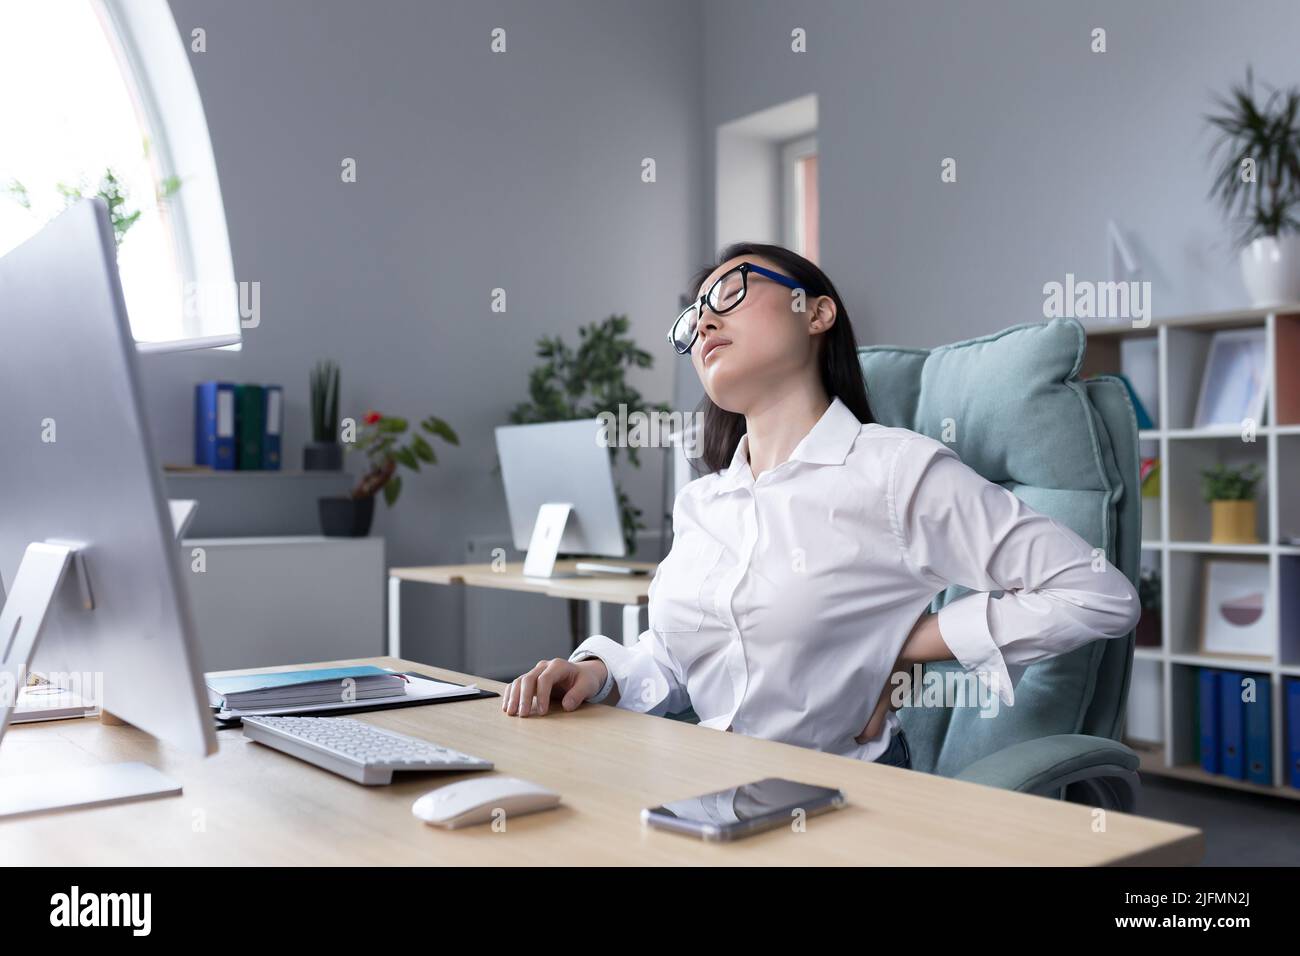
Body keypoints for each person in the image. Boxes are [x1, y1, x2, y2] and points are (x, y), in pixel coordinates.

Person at [501, 241, 1140, 770]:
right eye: (693, 317)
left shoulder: (894, 471)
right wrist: (596, 672)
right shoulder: (705, 500)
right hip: (699, 784)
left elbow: (1098, 596)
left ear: (817, 313)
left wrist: (906, 644)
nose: (703, 322)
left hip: (833, 806)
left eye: (729, 292)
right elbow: (673, 657)